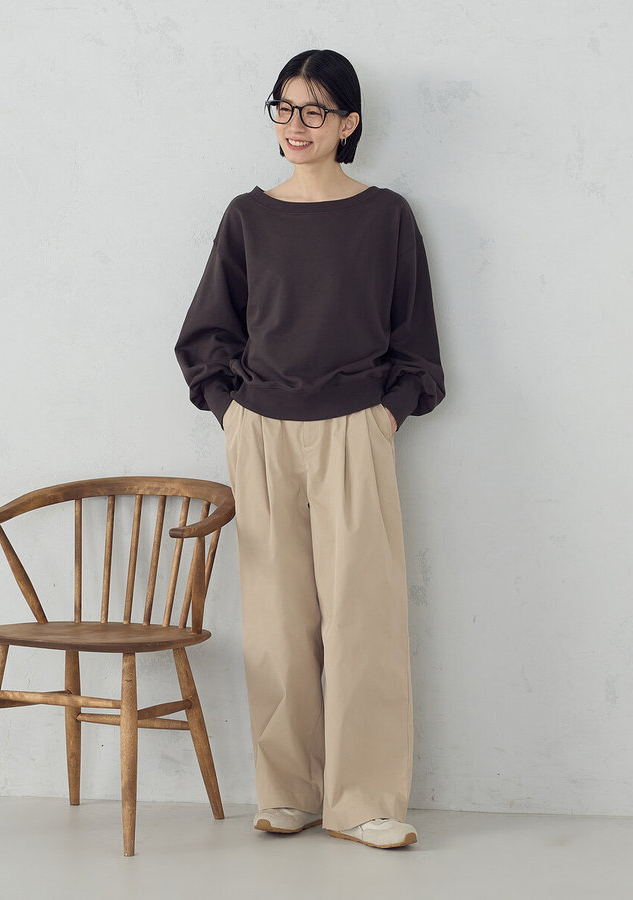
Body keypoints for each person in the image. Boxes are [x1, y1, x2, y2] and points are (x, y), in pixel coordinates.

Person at [175, 48, 445, 850]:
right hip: (261, 431)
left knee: (364, 619)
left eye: (315, 110)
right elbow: (207, 333)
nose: (296, 125)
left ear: (349, 123)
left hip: (357, 427)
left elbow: (415, 342)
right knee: (276, 623)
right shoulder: (247, 216)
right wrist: (230, 413)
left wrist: (388, 415)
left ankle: (364, 801)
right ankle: (287, 792)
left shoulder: (386, 216)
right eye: (285, 108)